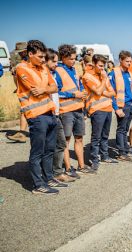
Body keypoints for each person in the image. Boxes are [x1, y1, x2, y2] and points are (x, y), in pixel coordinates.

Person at [15, 40, 62, 194]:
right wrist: (46, 88)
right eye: (40, 57)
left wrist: (45, 89)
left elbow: (55, 87)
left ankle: (48, 178)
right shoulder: (21, 69)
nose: (43, 60)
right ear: (30, 54)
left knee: (49, 149)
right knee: (38, 152)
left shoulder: (43, 68)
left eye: (44, 57)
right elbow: (34, 89)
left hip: (50, 113)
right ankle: (38, 185)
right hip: (36, 116)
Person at [56, 44, 90, 177]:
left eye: (75, 58)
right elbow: (56, 92)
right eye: (70, 58)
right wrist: (73, 95)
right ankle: (68, 168)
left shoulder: (75, 69)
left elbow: (79, 85)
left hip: (78, 109)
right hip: (66, 110)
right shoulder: (58, 71)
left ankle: (81, 165)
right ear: (63, 58)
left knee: (79, 138)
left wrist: (82, 91)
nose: (73, 61)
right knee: (66, 140)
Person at [81, 54, 116, 171]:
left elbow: (112, 92)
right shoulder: (87, 76)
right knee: (96, 137)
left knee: (105, 135)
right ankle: (94, 159)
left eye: (103, 66)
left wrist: (102, 91)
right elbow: (97, 91)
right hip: (96, 109)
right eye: (100, 66)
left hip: (107, 108)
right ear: (94, 64)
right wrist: (104, 81)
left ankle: (105, 156)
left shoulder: (102, 74)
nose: (102, 68)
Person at [46, 48, 74, 184]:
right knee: (53, 144)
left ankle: (56, 172)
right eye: (54, 61)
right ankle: (53, 173)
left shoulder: (54, 73)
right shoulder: (44, 75)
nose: (56, 64)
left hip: (56, 114)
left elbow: (59, 90)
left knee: (60, 143)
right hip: (48, 114)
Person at [109, 50, 132, 162]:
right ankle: (121, 152)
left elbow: (131, 91)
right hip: (122, 106)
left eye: (130, 61)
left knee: (126, 128)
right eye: (127, 61)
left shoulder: (129, 73)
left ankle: (125, 148)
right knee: (121, 129)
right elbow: (111, 93)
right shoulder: (114, 73)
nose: (129, 63)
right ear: (120, 60)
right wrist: (116, 108)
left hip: (130, 105)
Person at [6, 42, 30, 143]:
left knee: (25, 110)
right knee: (24, 111)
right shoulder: (24, 62)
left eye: (21, 52)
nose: (19, 54)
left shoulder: (29, 62)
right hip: (25, 90)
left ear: (25, 51)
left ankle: (22, 134)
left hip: (30, 90)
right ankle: (22, 133)